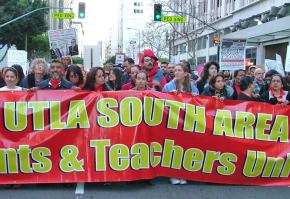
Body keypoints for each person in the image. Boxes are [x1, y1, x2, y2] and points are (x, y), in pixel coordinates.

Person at [162, 63, 199, 185]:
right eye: (175, 70)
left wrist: (195, 98)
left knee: (185, 147)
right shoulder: (168, 86)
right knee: (172, 147)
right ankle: (172, 173)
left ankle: (183, 173)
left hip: (187, 121)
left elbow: (199, 104)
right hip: (172, 121)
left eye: (179, 70)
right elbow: (161, 102)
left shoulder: (192, 87)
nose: (176, 72)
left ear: (185, 73)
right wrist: (168, 96)